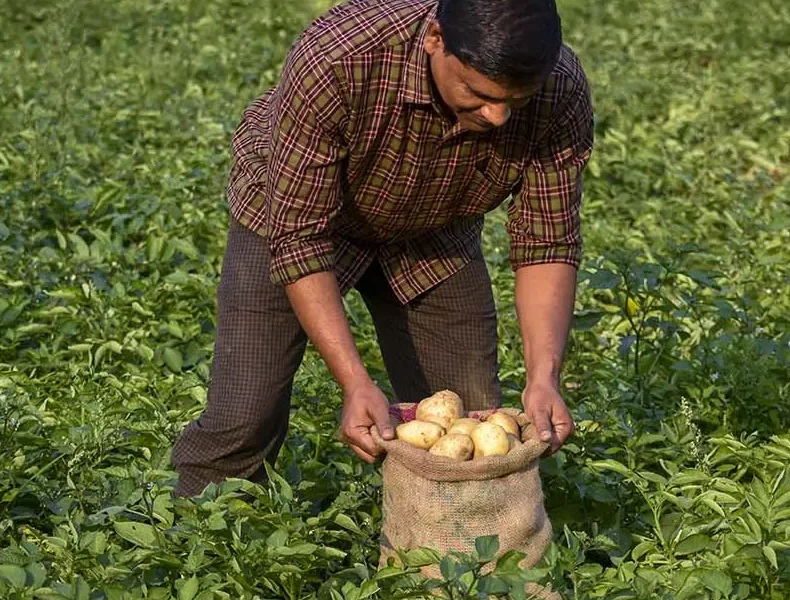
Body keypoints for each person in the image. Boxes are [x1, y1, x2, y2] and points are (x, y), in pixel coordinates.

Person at [171, 0, 594, 499]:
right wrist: (355, 383)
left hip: (436, 229)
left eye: (516, 101)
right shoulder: (339, 59)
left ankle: (452, 561)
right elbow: (300, 237)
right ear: (436, 38)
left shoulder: (559, 89)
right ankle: (192, 539)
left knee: (475, 422)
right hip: (295, 218)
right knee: (243, 418)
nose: (498, 116)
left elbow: (546, 241)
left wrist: (543, 379)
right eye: (479, 94)